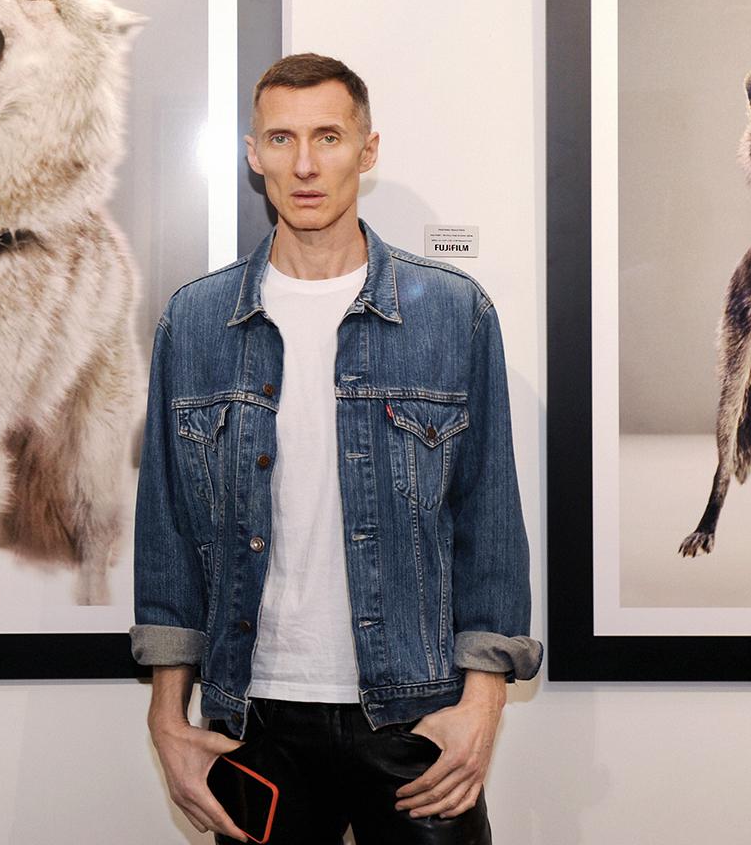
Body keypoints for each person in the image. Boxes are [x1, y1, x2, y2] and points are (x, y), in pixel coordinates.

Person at [133, 54, 540, 842]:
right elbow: (168, 537)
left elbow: (489, 520)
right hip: (253, 721)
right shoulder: (196, 322)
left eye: (329, 136)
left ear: (369, 148)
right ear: (253, 154)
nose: (307, 164)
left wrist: (482, 708)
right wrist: (168, 723)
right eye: (282, 139)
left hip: (415, 718)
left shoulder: (453, 315)